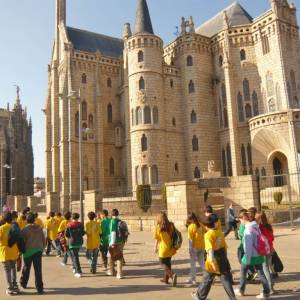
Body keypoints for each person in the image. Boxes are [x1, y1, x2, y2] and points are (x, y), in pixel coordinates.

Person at [191, 214, 236, 300]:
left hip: (213, 261)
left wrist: (211, 262)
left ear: (206, 226)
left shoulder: (208, 235)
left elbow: (210, 249)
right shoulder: (220, 233)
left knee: (206, 279)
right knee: (225, 281)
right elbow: (224, 247)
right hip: (222, 259)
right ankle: (233, 298)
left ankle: (200, 296)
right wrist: (225, 260)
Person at [234, 210, 271, 299]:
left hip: (251, 256)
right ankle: (266, 293)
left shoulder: (248, 230)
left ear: (243, 219)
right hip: (259, 254)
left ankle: (241, 290)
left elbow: (248, 246)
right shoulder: (255, 226)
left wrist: (247, 259)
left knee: (243, 272)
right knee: (261, 274)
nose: (240, 223)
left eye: (240, 220)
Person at [20, 212, 46, 294]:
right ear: (34, 220)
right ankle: (39, 288)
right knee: (38, 269)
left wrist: (21, 251)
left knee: (26, 268)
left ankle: (23, 283)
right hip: (38, 250)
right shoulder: (40, 228)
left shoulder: (24, 230)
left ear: (26, 220)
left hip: (28, 251)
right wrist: (43, 248)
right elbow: (43, 239)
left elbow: (22, 242)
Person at [154, 212, 177, 286]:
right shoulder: (171, 225)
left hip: (163, 247)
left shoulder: (159, 226)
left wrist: (155, 247)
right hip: (170, 247)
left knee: (162, 263)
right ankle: (166, 279)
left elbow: (157, 238)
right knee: (168, 263)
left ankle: (172, 274)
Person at [0, 212, 19, 295]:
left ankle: (10, 288)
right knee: (13, 269)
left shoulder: (1, 228)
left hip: (5, 252)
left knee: (7, 271)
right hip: (14, 251)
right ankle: (15, 285)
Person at [256, 211, 275, 294]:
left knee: (265, 269)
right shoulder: (268, 226)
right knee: (268, 268)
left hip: (264, 251)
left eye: (257, 218)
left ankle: (270, 288)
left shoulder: (260, 228)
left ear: (260, 219)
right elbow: (272, 238)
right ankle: (271, 286)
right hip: (270, 249)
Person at [186, 212, 205, 285]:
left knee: (193, 264)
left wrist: (190, 249)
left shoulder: (191, 227)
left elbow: (190, 240)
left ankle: (193, 279)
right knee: (202, 263)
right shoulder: (200, 224)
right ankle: (207, 275)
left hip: (194, 247)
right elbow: (205, 232)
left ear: (190, 219)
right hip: (202, 246)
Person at [107, 208, 125, 279]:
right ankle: (119, 273)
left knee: (111, 256)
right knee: (119, 257)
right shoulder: (120, 221)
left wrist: (112, 243)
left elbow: (113, 233)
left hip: (114, 241)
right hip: (121, 241)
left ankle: (111, 271)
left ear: (112, 214)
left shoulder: (113, 221)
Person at [65, 213, 85, 278]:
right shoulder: (80, 224)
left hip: (72, 242)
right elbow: (83, 233)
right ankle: (74, 268)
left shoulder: (69, 225)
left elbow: (66, 234)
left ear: (72, 218)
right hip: (79, 242)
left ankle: (78, 271)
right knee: (75, 256)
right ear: (78, 217)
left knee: (75, 257)